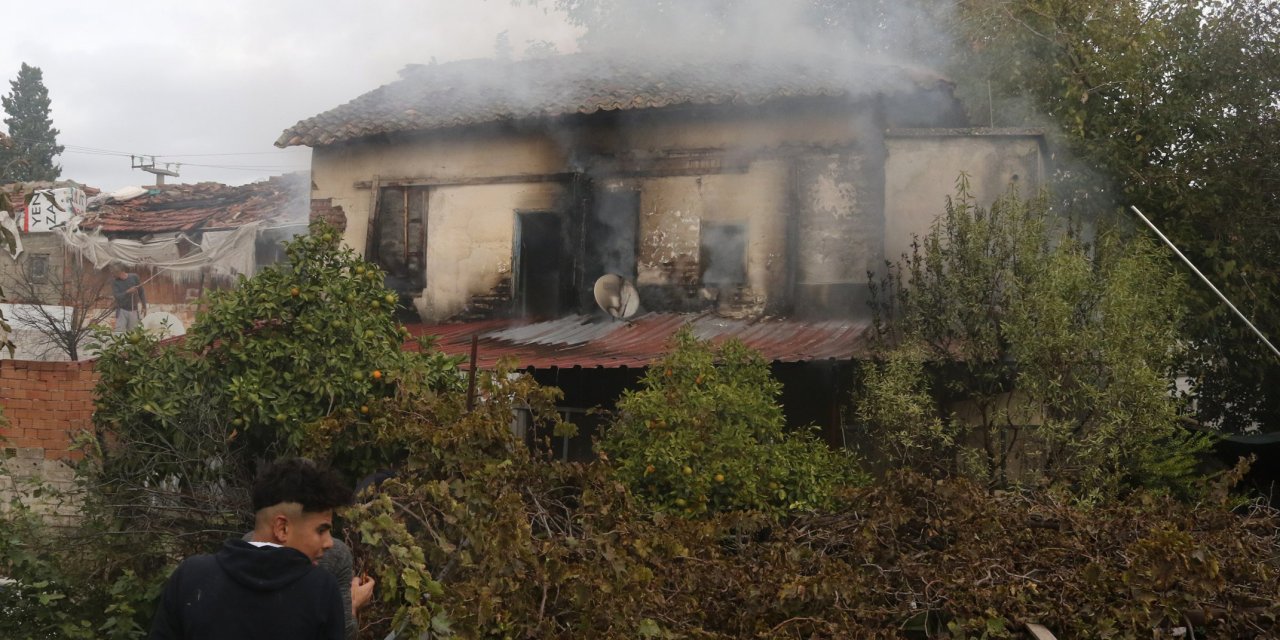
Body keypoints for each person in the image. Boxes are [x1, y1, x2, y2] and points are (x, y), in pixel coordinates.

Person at [149, 459, 365, 640]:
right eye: (321, 530)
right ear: (282, 528)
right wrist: (351, 606)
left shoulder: (191, 576)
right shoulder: (321, 591)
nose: (328, 542)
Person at [111, 265, 147, 332]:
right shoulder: (115, 282)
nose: (112, 275)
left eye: (113, 273)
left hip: (134, 310)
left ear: (120, 272)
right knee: (118, 332)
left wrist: (144, 306)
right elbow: (117, 296)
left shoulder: (134, 277)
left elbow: (141, 292)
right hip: (121, 310)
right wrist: (128, 291)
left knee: (133, 334)